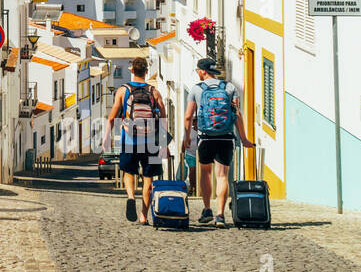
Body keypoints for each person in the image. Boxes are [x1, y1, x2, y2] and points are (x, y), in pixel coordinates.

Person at [183, 57, 255, 227]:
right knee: (222, 176)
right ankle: (220, 215)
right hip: (226, 137)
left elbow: (188, 116)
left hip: (206, 137)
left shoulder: (197, 89)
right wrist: (243, 138)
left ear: (202, 71)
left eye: (197, 70)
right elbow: (237, 114)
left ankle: (207, 209)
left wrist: (187, 137)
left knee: (206, 173)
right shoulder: (230, 87)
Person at [103, 56, 168, 224]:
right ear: (146, 72)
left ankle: (131, 196)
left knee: (129, 173)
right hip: (150, 143)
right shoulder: (154, 91)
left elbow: (112, 118)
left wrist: (107, 138)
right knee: (148, 179)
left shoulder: (123, 91)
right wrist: (163, 143)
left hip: (129, 140)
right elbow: (163, 118)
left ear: (132, 71)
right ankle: (143, 215)